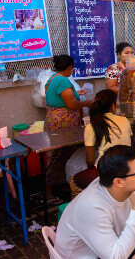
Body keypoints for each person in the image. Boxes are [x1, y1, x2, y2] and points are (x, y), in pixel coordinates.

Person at [55, 146, 135, 259]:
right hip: (94, 255)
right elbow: (115, 256)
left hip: (111, 245)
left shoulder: (120, 187)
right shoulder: (93, 207)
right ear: (118, 182)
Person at [70, 89, 133, 189]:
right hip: (127, 167)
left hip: (106, 172)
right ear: (112, 106)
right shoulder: (124, 120)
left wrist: (91, 171)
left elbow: (90, 160)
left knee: (74, 181)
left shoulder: (91, 126)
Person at [45, 55, 92, 184]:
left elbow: (60, 97)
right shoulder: (63, 81)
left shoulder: (52, 79)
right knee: (62, 153)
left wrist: (77, 94)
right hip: (63, 122)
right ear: (70, 67)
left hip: (52, 120)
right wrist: (87, 103)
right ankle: (57, 184)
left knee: (54, 154)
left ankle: (54, 184)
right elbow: (71, 104)